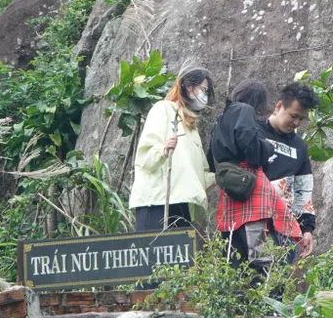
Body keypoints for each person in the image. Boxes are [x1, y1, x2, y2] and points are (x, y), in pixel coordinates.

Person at [208, 80, 301, 266]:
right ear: (257, 100)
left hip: (231, 186)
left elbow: (211, 158)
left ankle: (236, 291)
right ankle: (261, 290)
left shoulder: (221, 118)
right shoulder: (244, 110)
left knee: (233, 255)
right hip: (250, 187)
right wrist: (266, 149)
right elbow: (247, 139)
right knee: (259, 257)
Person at [130, 67, 215, 231]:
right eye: (204, 89)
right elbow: (145, 155)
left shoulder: (191, 127)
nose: (205, 96)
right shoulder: (163, 109)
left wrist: (221, 175)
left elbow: (201, 172)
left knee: (181, 256)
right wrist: (162, 151)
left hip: (182, 203)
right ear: (189, 87)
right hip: (156, 202)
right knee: (153, 255)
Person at [261, 81, 320, 260]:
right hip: (255, 223)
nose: (296, 123)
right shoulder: (254, 132)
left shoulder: (299, 146)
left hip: (285, 227)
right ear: (279, 106)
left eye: (301, 119)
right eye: (293, 116)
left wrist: (307, 229)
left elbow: (304, 189)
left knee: (278, 284)